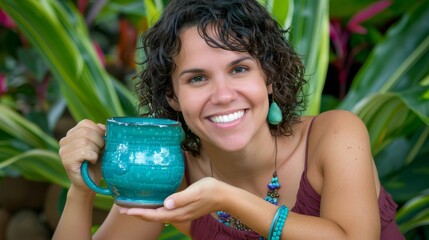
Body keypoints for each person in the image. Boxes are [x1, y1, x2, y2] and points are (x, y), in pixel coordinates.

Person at [53, 0, 404, 239]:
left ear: (268, 76)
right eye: (197, 78)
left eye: (238, 69)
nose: (222, 95)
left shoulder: (336, 135)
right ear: (172, 97)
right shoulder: (173, 176)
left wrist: (228, 200)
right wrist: (81, 191)